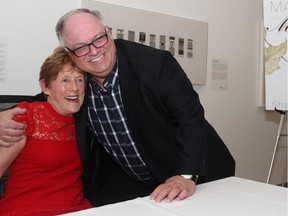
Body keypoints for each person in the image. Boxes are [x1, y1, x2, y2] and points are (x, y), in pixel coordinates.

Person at [0, 9, 235, 207]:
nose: (94, 51)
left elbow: (190, 118)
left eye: (98, 39)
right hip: (137, 179)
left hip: (196, 172)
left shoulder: (155, 64)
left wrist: (186, 176)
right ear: (69, 54)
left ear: (109, 33)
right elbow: (48, 97)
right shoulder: (79, 82)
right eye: (81, 47)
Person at [0, 47, 92, 215]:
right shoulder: (27, 116)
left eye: (79, 80)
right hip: (25, 211)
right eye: (65, 80)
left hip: (76, 211)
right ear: (45, 87)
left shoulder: (88, 120)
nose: (74, 88)